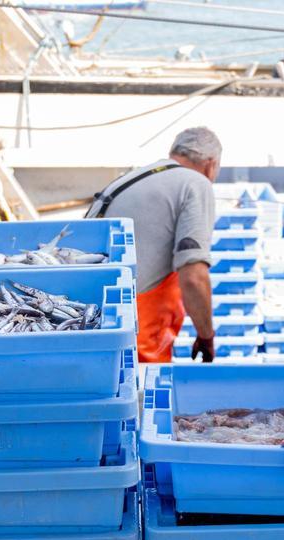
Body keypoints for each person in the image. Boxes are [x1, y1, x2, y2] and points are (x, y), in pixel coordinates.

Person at [85, 127, 221, 364]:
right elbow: (193, 276)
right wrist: (206, 334)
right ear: (210, 165)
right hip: (133, 331)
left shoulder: (132, 178)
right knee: (141, 396)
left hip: (87, 315)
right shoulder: (196, 183)